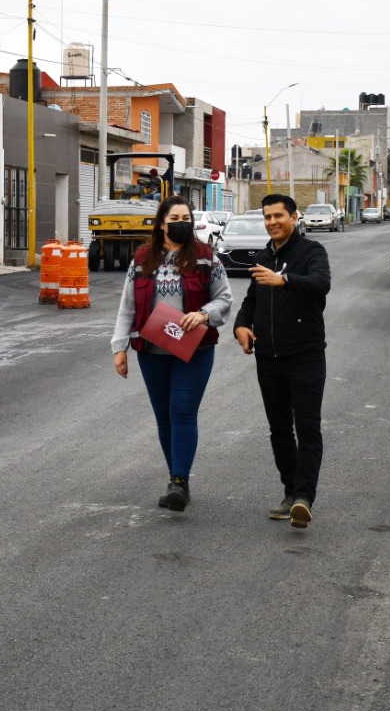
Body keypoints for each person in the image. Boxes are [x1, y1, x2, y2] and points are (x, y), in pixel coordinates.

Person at [111, 196, 232, 511]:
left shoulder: (206, 258)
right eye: (175, 217)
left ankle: (179, 481)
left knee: (181, 411)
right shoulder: (142, 259)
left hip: (195, 349)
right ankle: (176, 476)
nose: (182, 222)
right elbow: (128, 306)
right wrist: (119, 347)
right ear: (162, 223)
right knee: (164, 417)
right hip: (152, 351)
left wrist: (204, 314)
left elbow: (224, 298)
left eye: (186, 217)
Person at [232, 194, 331, 529]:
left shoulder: (311, 252)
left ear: (294, 217)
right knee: (279, 431)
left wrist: (284, 280)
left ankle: (304, 497)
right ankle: (290, 492)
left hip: (305, 355)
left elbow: (321, 284)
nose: (272, 221)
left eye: (278, 215)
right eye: (267, 217)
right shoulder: (263, 257)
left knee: (307, 428)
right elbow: (251, 300)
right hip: (269, 358)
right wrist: (241, 325)